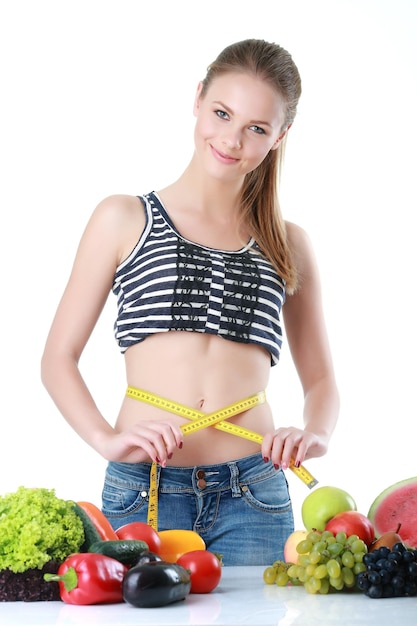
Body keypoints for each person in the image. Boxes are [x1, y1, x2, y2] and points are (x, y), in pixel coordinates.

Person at [41, 38, 339, 566]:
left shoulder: (287, 243)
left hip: (255, 492)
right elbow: (57, 359)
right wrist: (106, 441)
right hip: (145, 484)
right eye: (222, 113)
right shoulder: (123, 217)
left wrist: (314, 433)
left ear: (280, 136)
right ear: (197, 99)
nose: (231, 139)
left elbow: (320, 381)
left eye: (257, 128)